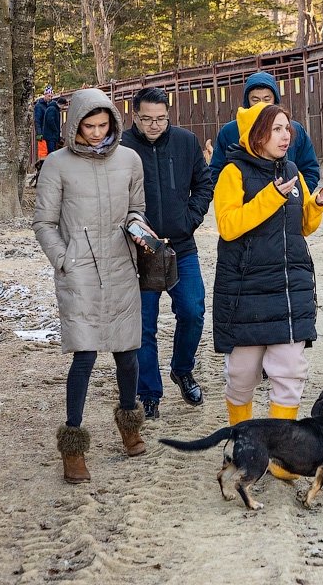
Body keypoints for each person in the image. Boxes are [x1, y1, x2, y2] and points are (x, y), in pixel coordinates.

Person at [33, 88, 149, 484]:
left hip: (121, 267)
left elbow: (138, 208)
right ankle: (73, 446)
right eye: (90, 126)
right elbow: (44, 223)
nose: (98, 133)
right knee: (83, 357)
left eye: (104, 125)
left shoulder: (130, 160)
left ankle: (130, 424)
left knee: (127, 353)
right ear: (75, 125)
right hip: (79, 272)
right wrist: (65, 260)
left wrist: (138, 230)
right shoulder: (57, 165)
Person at [212, 101, 323, 478]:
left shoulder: (293, 171)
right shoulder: (232, 173)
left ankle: (283, 457)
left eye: (287, 129)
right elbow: (229, 226)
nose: (285, 136)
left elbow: (301, 227)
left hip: (288, 289)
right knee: (242, 376)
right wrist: (271, 197)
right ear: (256, 135)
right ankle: (242, 446)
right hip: (245, 292)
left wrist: (315, 205)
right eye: (277, 129)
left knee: (289, 374)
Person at [120, 87, 214, 417]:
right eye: (147, 119)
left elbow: (204, 184)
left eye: (161, 118)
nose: (154, 125)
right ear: (134, 116)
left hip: (181, 246)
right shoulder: (122, 149)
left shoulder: (186, 142)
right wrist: (134, 232)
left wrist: (189, 219)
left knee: (193, 310)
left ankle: (182, 368)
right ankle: (149, 393)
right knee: (143, 327)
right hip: (139, 252)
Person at [210, 71, 320, 191]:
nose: (261, 105)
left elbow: (310, 170)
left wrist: (297, 198)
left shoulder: (294, 130)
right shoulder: (230, 131)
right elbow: (216, 173)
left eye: (267, 99)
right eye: (255, 100)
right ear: (247, 101)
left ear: (275, 100)